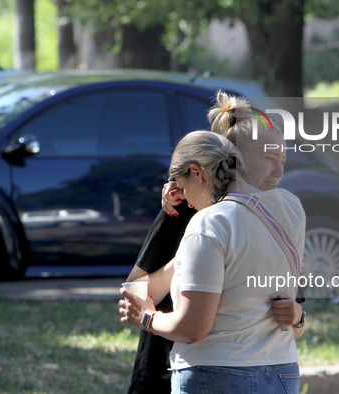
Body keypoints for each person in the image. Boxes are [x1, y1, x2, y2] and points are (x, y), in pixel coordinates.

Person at [124, 91, 304, 393]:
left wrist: (298, 318)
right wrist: (181, 263)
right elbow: (134, 291)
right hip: (166, 367)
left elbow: (288, 311)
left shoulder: (282, 210)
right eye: (270, 160)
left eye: (282, 160)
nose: (279, 172)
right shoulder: (182, 205)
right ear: (238, 161)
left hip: (224, 368)